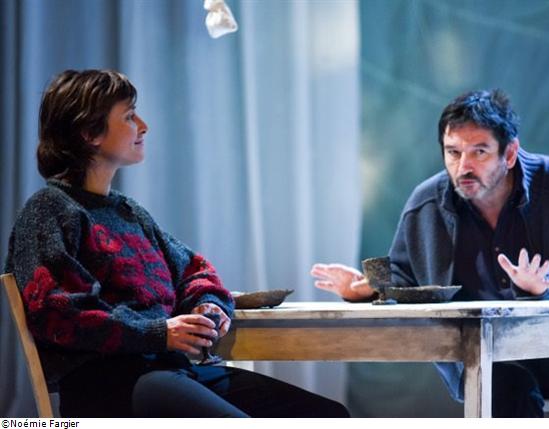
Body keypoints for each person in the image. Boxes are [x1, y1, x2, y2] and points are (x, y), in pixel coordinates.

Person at [4, 69, 349, 418]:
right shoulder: (49, 210)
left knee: (329, 416)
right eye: (129, 116)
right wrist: (158, 333)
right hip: (110, 386)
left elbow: (194, 271)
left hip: (169, 373)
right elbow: (56, 312)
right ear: (90, 132)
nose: (143, 126)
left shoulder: (129, 212)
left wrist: (208, 306)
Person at [311, 89, 549, 417]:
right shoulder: (426, 205)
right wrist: (366, 289)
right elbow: (405, 279)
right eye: (453, 152)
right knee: (504, 386)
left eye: (479, 152)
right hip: (483, 358)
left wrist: (546, 285)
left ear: (510, 153)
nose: (464, 166)